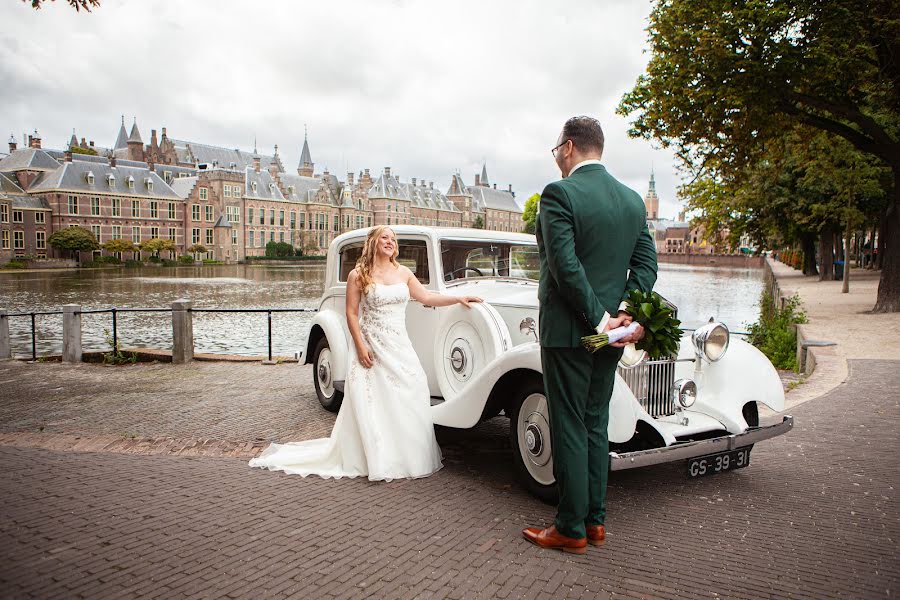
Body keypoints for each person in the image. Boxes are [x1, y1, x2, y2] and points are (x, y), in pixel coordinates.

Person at [249, 226, 481, 481]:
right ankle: (376, 456)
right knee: (374, 399)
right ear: (373, 242)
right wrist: (360, 346)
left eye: (393, 239)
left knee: (412, 389)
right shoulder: (358, 274)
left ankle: (406, 455)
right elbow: (351, 313)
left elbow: (426, 296)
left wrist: (460, 298)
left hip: (399, 345)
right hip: (372, 344)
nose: (390, 242)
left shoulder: (403, 272)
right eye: (385, 237)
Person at [523, 116, 658, 553]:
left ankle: (570, 528)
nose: (556, 157)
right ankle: (595, 521)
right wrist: (621, 313)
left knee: (567, 424)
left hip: (569, 332)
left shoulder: (559, 193)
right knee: (596, 423)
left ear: (567, 146)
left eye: (556, 149)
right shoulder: (632, 201)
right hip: (612, 336)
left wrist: (599, 320)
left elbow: (564, 266)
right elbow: (645, 267)